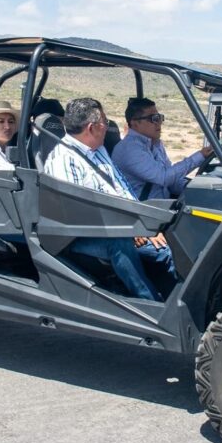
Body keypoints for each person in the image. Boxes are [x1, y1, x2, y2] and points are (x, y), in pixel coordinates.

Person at [43, 98, 169, 300]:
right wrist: (128, 227)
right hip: (80, 235)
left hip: (115, 225)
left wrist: (143, 222)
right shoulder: (64, 159)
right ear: (92, 128)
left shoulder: (99, 150)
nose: (108, 126)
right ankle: (152, 305)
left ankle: (179, 300)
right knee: (132, 246)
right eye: (105, 121)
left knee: (169, 240)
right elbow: (75, 214)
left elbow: (122, 188)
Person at [112, 97, 213, 200]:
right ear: (135, 123)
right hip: (142, 211)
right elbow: (164, 177)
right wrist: (200, 157)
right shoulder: (129, 149)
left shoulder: (155, 144)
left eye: (159, 117)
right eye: (153, 118)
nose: (159, 122)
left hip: (161, 206)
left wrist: (193, 189)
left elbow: (171, 182)